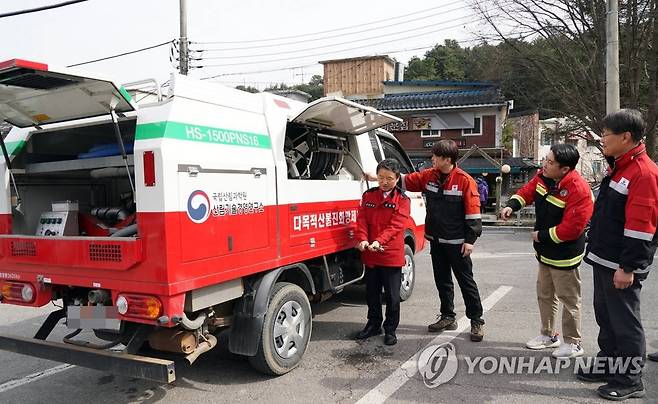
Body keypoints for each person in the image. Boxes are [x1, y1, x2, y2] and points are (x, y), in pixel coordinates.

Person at [576, 109, 658, 401]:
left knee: (625, 322)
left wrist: (629, 266)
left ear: (626, 137)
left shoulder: (642, 172)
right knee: (606, 317)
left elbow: (641, 227)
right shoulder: (619, 167)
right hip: (604, 258)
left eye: (607, 135)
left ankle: (630, 379)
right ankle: (609, 364)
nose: (602, 140)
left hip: (621, 265)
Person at [500, 144, 593, 358]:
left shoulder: (578, 189)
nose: (544, 165)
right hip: (544, 253)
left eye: (550, 162)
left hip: (565, 255)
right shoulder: (543, 177)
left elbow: (572, 229)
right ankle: (548, 335)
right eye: (546, 159)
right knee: (545, 295)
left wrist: (540, 236)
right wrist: (512, 206)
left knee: (569, 300)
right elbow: (527, 192)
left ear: (565, 169)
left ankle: (573, 342)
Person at [403, 139, 485, 342]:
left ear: (447, 159)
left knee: (466, 282)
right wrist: (381, 176)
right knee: (443, 281)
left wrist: (470, 240)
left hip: (458, 244)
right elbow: (406, 180)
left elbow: (473, 215)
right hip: (437, 241)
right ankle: (448, 316)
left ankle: (476, 320)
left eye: (435, 156)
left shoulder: (465, 181)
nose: (432, 158)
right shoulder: (429, 176)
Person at [354, 158, 411, 346]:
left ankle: (391, 329)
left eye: (389, 178)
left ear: (397, 179)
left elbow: (396, 225)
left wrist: (379, 240)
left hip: (390, 253)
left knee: (393, 296)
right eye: (380, 178)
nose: (384, 182)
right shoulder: (369, 196)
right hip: (371, 253)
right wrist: (362, 238)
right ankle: (373, 324)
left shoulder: (402, 200)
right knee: (372, 293)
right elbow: (361, 219)